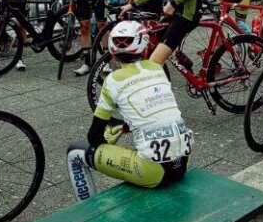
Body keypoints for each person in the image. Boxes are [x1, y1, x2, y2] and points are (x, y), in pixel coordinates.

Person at [66, 20, 193, 200]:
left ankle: (88, 213)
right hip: (181, 165)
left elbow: (93, 137)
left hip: (151, 172)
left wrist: (106, 141)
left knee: (75, 152)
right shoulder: (156, 68)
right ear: (144, 45)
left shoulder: (112, 81)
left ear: (112, 50)